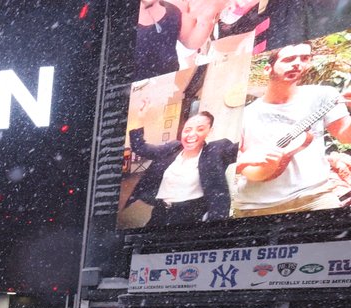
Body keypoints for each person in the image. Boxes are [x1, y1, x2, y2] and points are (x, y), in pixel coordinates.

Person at [233, 42, 351, 217]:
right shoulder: (245, 114)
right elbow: (228, 165)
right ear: (268, 69)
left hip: (316, 197)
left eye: (304, 58)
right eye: (289, 59)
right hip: (254, 206)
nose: (297, 63)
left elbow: (345, 136)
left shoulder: (324, 96)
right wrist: (244, 160)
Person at [126, 102, 239, 224]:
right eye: (187, 130)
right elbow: (140, 148)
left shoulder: (215, 151)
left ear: (209, 131)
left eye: (200, 129)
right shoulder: (173, 148)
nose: (191, 134)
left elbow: (243, 148)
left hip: (188, 216)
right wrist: (140, 117)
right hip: (160, 211)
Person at [135, 0, 220, 81]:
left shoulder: (171, 8)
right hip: (134, 89)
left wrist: (207, 17)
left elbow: (190, 42)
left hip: (171, 79)